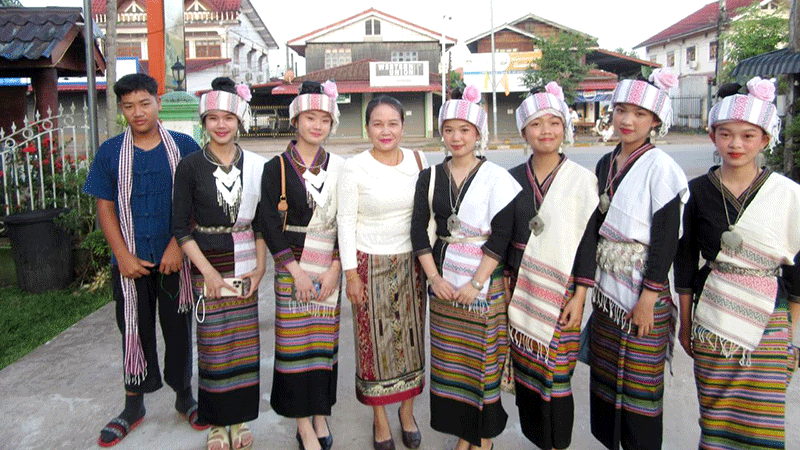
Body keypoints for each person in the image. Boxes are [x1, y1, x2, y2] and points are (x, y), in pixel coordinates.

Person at [675, 77, 800, 450]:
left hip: (770, 321)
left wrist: (792, 334)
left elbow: (796, 268)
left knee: (762, 417)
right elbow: (685, 260)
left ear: (765, 140)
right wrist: (685, 323)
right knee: (715, 416)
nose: (736, 144)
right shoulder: (696, 191)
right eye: (726, 134)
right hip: (712, 317)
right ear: (712, 135)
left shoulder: (787, 194)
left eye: (748, 136)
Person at [83, 73, 205, 447]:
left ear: (158, 102)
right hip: (130, 264)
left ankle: (185, 397)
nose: (137, 112)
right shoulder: (110, 152)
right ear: (122, 110)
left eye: (144, 103)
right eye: (129, 106)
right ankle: (133, 405)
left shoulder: (184, 146)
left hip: (174, 261)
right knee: (133, 332)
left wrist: (178, 246)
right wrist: (122, 255)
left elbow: (196, 200)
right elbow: (105, 206)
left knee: (179, 332)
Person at [572, 68, 689, 450]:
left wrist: (648, 299)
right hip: (608, 292)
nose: (627, 120)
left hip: (643, 293)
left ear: (655, 120)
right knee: (606, 379)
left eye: (639, 113)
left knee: (640, 384)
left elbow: (666, 241)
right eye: (621, 110)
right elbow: (594, 228)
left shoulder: (662, 168)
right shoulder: (606, 163)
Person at [411, 85, 521, 450]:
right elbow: (419, 231)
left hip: (483, 287)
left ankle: (482, 438)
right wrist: (433, 278)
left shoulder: (497, 179)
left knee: (482, 363)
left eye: (464, 130)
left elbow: (501, 236)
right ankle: (464, 434)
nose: (456, 137)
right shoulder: (429, 177)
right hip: (444, 286)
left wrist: (475, 283)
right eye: (449, 130)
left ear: (478, 134)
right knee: (452, 363)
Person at [172, 77, 266, 450]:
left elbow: (262, 223)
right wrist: (208, 272)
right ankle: (215, 423)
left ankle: (239, 419)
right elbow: (181, 228)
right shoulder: (190, 166)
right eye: (213, 118)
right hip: (207, 264)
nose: (221, 125)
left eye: (228, 117)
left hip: (245, 263)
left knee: (243, 343)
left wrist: (260, 268)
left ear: (239, 119)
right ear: (204, 122)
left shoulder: (256, 165)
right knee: (213, 345)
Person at [506, 82, 598, 450]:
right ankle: (537, 439)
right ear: (524, 132)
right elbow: (503, 236)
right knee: (528, 374)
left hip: (564, 292)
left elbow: (588, 241)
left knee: (557, 378)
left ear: (565, 128)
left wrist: (581, 295)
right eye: (536, 124)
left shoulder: (582, 180)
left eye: (554, 123)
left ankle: (558, 443)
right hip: (520, 289)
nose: (546, 131)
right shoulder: (511, 179)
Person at [337, 95, 428, 450]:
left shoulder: (419, 160)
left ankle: (407, 412)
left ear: (403, 126)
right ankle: (380, 419)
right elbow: (346, 221)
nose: (385, 131)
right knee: (373, 345)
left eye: (393, 123)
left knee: (411, 342)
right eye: (377, 124)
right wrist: (351, 275)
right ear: (367, 128)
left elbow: (427, 216)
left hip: (411, 265)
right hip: (368, 264)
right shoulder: (354, 167)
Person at [260, 80, 343, 450]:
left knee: (324, 345)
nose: (317, 125)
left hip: (328, 267)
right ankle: (303, 423)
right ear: (295, 120)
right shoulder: (276, 167)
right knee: (295, 345)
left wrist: (336, 268)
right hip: (291, 268)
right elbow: (268, 223)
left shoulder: (339, 167)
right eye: (310, 118)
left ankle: (320, 412)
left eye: (324, 119)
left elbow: (347, 220)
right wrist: (294, 272)